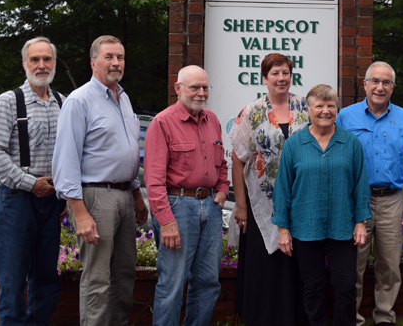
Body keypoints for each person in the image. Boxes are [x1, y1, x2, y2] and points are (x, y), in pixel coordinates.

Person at [53, 35, 149, 325]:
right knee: (98, 278)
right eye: (109, 57)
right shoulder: (79, 101)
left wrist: (136, 194)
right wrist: (79, 213)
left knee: (124, 275)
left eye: (120, 57)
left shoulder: (124, 97)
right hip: (94, 197)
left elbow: (126, 151)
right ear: (93, 62)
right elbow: (65, 161)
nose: (116, 62)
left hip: (124, 194)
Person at [272, 84, 372, 326]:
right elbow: (283, 188)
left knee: (346, 286)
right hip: (306, 227)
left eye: (331, 106)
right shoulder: (295, 145)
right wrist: (283, 229)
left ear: (337, 109)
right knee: (312, 287)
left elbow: (360, 184)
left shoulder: (350, 143)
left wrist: (360, 222)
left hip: (342, 226)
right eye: (319, 106)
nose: (325, 111)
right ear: (308, 109)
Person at [336, 61, 403, 326]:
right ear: (364, 84)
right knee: (354, 265)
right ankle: (352, 319)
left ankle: (384, 317)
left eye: (386, 82)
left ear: (393, 87)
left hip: (393, 201)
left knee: (389, 265)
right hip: (356, 202)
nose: (380, 87)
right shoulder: (346, 117)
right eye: (375, 81)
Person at [143, 65, 230, 326]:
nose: (201, 92)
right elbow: (154, 180)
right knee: (172, 283)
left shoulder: (212, 119)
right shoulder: (162, 122)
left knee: (208, 282)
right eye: (194, 87)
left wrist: (223, 189)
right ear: (178, 89)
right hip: (178, 207)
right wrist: (166, 221)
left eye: (205, 87)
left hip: (211, 206)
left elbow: (221, 163)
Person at [0, 36, 63, 326]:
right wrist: (30, 183)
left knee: (46, 279)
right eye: (35, 59)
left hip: (52, 201)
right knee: (13, 280)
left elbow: (71, 155)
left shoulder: (62, 102)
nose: (41, 65)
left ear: (54, 63)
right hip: (16, 200)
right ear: (24, 63)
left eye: (47, 59)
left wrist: (65, 194)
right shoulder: (9, 100)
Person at [229, 53, 309, 325]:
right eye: (275, 73)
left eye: (285, 72)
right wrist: (240, 205)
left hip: (301, 202)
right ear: (265, 78)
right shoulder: (252, 111)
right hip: (261, 201)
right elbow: (238, 159)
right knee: (265, 266)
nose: (281, 78)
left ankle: (294, 318)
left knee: (296, 263)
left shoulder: (305, 107)